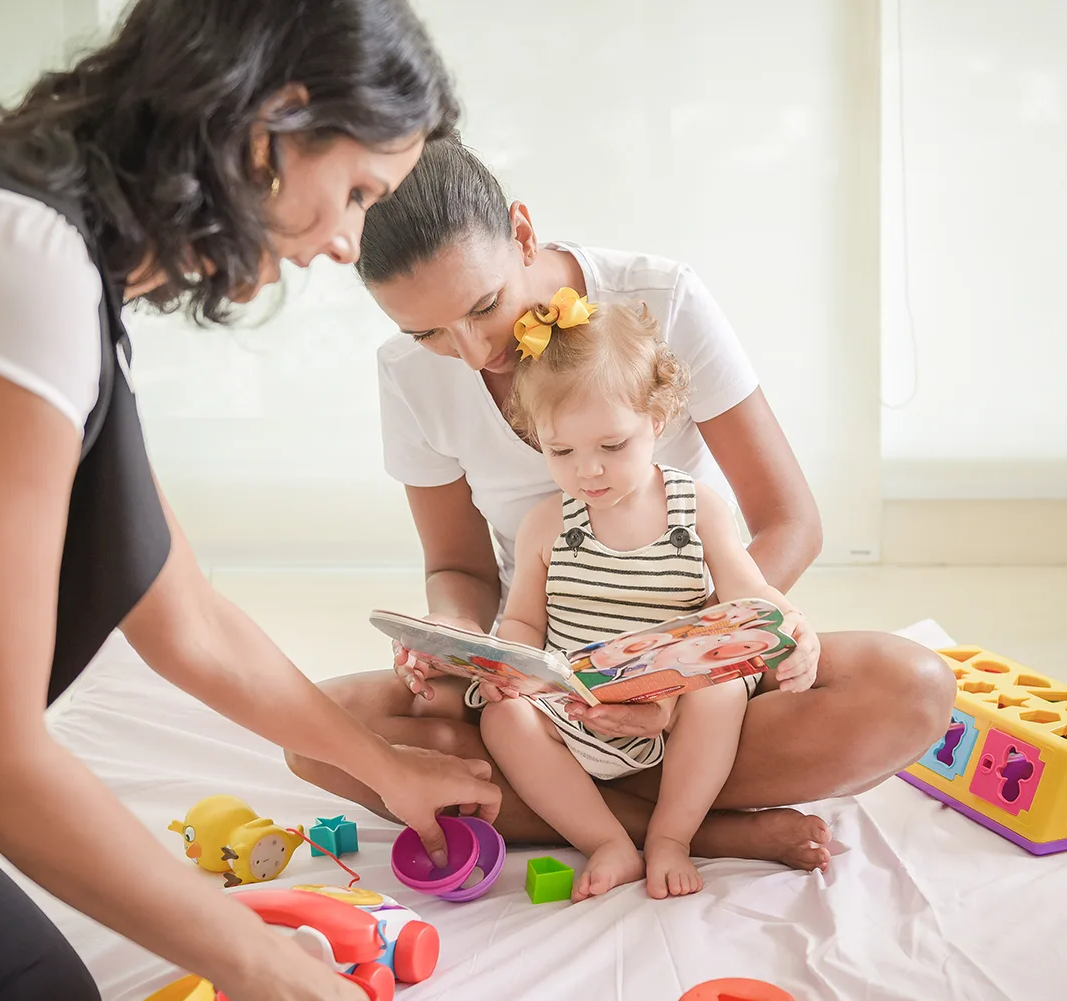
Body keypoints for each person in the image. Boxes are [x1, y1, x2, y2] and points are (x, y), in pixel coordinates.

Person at [0, 3, 499, 1000]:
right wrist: (265, 963)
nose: (350, 244)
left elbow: (189, 618)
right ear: (273, 122)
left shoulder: (63, 266)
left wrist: (383, 766)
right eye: (355, 190)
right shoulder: (0, 254)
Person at [285, 134, 958, 867]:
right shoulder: (407, 375)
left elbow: (789, 521)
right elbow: (460, 568)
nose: (474, 350)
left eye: (484, 306)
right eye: (428, 332)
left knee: (910, 686)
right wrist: (449, 639)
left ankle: (612, 805)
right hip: (546, 671)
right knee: (321, 734)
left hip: (696, 648)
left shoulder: (662, 300)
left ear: (522, 232)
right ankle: (694, 830)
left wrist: (675, 666)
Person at [456, 292, 823, 901]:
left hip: (673, 709)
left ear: (656, 420)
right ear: (536, 438)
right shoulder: (548, 525)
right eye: (562, 452)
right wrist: (509, 665)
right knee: (502, 720)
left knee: (724, 688)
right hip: (572, 710)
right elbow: (521, 619)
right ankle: (606, 840)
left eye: (612, 446)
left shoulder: (695, 507)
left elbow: (747, 595)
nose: (588, 471)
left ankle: (672, 837)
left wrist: (793, 629)